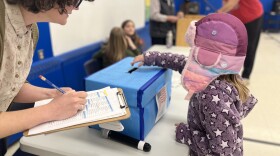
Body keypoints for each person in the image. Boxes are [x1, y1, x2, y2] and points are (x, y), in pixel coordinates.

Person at [131, 13, 258, 156]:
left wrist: (185, 134)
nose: (191, 56)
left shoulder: (211, 96)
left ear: (209, 58)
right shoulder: (226, 75)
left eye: (194, 51)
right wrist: (150, 57)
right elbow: (180, 62)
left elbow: (222, 150)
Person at [0, 0, 94, 154]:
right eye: (76, 1)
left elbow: (10, 86)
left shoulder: (32, 31)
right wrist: (52, 110)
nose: (76, 8)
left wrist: (51, 94)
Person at [217, 0, 264, 85]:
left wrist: (219, 12)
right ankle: (230, 73)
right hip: (240, 18)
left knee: (249, 47)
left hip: (252, 16)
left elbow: (232, 3)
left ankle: (246, 76)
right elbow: (228, 4)